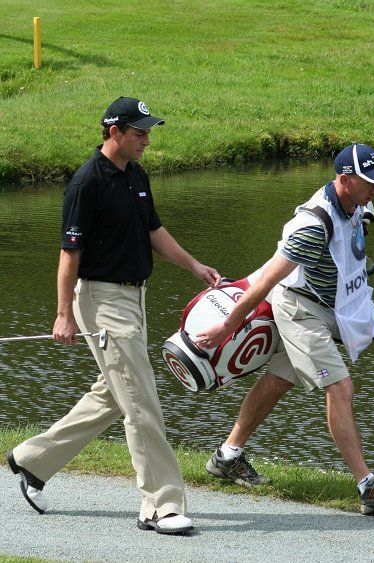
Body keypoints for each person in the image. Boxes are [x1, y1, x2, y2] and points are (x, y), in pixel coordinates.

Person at [7, 96, 220, 535]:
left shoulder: (136, 176)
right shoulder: (87, 182)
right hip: (101, 301)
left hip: (134, 298)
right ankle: (160, 505)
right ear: (114, 133)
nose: (146, 140)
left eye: (147, 133)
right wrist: (63, 314)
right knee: (141, 402)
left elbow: (153, 230)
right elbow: (70, 253)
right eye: (138, 133)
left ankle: (32, 459)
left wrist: (195, 266)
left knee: (114, 392)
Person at [195, 143, 374, 516]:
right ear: (344, 180)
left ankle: (227, 456)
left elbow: (356, 235)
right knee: (340, 386)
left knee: (281, 378)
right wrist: (228, 327)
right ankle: (368, 487)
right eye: (369, 182)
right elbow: (266, 281)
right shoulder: (312, 225)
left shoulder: (358, 202)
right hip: (300, 309)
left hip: (330, 308)